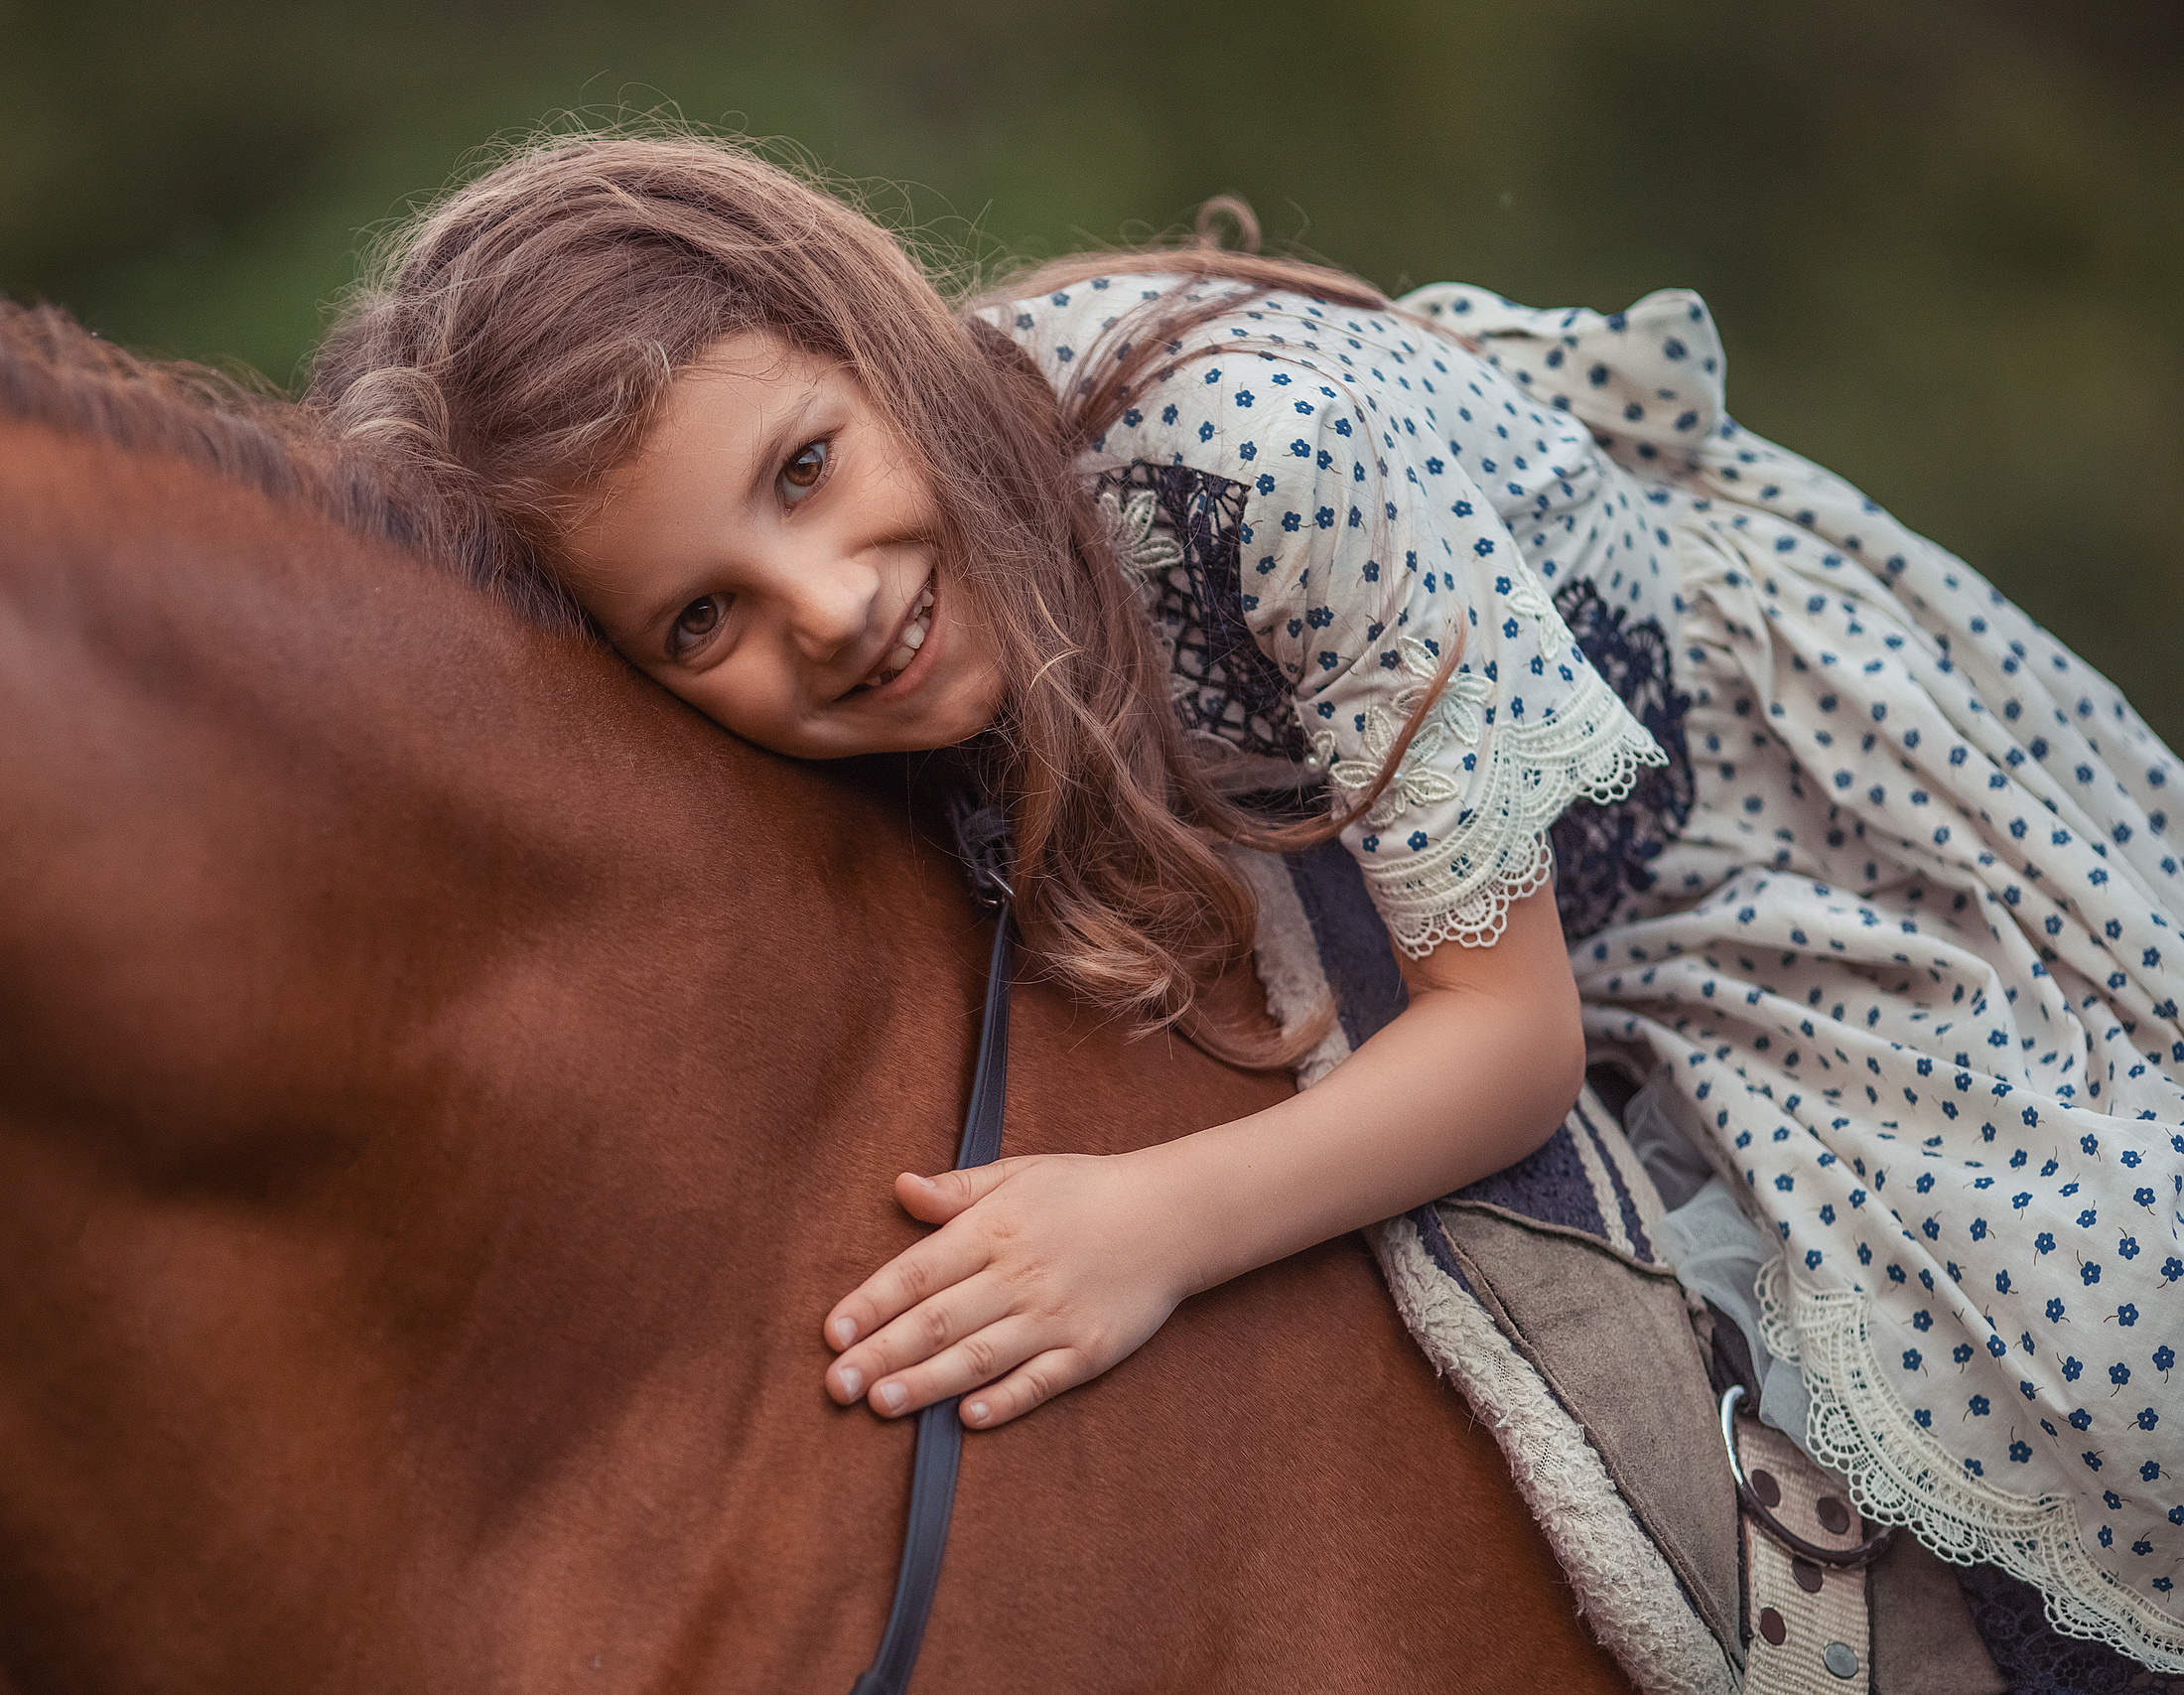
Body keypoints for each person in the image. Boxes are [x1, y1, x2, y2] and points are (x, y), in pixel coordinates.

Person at [308, 130, 2184, 1669]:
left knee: (2104, 1324)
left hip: (1724, 830)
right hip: (1348, 825)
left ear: (874, 341)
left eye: (807, 469)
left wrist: (1152, 1225)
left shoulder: (1261, 466)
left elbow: (1513, 1042)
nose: (826, 606)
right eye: (700, 615)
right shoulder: (900, 622)